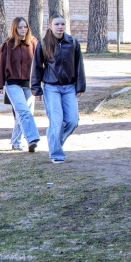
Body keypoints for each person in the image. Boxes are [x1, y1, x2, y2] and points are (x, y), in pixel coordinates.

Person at [31, 14, 85, 164]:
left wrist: (80, 86)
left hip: (69, 87)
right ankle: (57, 154)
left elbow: (79, 65)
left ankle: (55, 140)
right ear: (50, 26)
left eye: (62, 24)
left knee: (73, 120)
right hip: (51, 88)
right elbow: (37, 67)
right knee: (57, 120)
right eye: (57, 24)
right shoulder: (43, 44)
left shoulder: (73, 42)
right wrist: (36, 89)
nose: (60, 27)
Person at [0, 17, 40, 153]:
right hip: (12, 83)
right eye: (20, 27)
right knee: (23, 111)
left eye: (25, 27)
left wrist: (39, 84)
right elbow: (1, 64)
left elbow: (40, 64)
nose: (23, 30)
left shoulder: (33, 42)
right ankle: (32, 139)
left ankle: (16, 142)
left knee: (25, 114)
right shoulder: (8, 44)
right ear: (15, 29)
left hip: (29, 84)